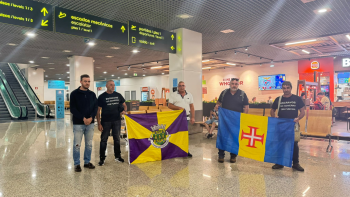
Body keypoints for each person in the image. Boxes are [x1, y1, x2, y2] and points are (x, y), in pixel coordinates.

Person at [270, 81, 305, 172]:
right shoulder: (278, 99)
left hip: (293, 125)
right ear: (282, 89)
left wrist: (298, 118)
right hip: (281, 125)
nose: (286, 90)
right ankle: (280, 163)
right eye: (284, 88)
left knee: (294, 144)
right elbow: (272, 110)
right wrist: (274, 117)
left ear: (291, 88)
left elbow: (303, 112)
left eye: (287, 88)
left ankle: (296, 163)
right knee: (280, 144)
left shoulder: (297, 99)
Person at [216, 78, 249, 163]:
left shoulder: (242, 94)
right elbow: (218, 104)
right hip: (225, 120)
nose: (234, 85)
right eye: (233, 83)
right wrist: (216, 110)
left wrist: (244, 118)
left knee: (235, 138)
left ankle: (233, 156)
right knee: (222, 136)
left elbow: (246, 107)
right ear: (229, 84)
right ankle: (221, 155)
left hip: (236, 120)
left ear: (238, 85)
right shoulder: (224, 93)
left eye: (236, 84)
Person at [70, 74, 98, 172]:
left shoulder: (92, 94)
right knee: (77, 145)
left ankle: (87, 162)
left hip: (90, 124)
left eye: (89, 81)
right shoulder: (74, 94)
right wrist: (83, 118)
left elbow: (95, 108)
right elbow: (73, 109)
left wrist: (91, 118)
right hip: (78, 124)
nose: (87, 83)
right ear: (81, 82)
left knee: (89, 144)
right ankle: (77, 164)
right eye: (85, 81)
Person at [97, 80, 127, 166]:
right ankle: (102, 158)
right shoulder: (102, 97)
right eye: (111, 85)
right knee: (103, 140)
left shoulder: (118, 95)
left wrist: (124, 111)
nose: (112, 86)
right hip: (105, 122)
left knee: (117, 139)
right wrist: (99, 123)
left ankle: (118, 156)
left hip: (117, 121)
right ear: (106, 86)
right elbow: (98, 110)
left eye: (113, 85)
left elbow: (124, 105)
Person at [168, 81, 195, 157]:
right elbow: (169, 105)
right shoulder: (173, 95)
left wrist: (193, 117)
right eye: (180, 86)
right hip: (176, 118)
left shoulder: (189, 95)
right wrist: (178, 108)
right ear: (178, 87)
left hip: (185, 118)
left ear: (185, 86)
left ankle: (186, 151)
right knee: (175, 134)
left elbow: (192, 106)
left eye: (183, 85)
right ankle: (174, 151)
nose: (181, 87)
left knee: (185, 135)